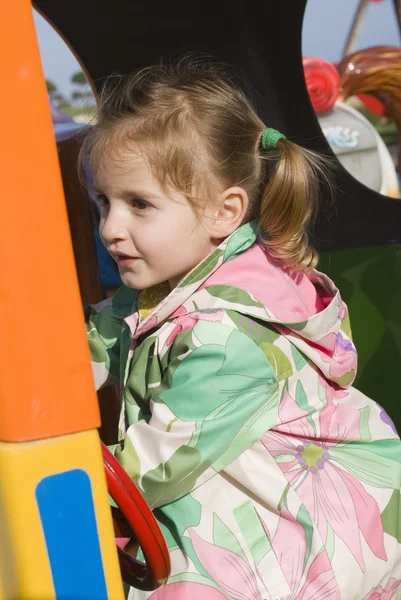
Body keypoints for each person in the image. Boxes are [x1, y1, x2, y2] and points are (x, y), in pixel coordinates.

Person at [81, 57, 401, 599]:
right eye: (102, 203)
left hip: (288, 537)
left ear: (223, 213)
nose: (111, 228)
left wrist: (68, 494)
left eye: (139, 205)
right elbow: (85, 348)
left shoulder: (230, 335)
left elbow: (160, 460)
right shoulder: (151, 293)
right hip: (214, 511)